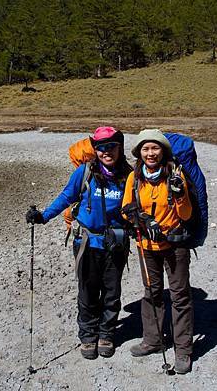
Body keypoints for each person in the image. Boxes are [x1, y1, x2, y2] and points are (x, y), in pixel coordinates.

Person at [26, 126, 132, 360]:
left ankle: (106, 334)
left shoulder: (128, 174)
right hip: (87, 242)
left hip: (116, 244)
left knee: (112, 293)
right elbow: (67, 196)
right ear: (95, 149)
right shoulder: (84, 172)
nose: (106, 152)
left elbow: (139, 205)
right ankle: (88, 335)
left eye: (111, 147)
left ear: (119, 147)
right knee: (87, 292)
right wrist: (43, 216)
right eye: (101, 148)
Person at [122, 129, 193, 375]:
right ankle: (153, 340)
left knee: (179, 296)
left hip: (175, 246)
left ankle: (183, 350)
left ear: (163, 151)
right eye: (146, 149)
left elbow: (185, 215)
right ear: (139, 153)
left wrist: (180, 194)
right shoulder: (134, 177)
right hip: (146, 247)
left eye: (155, 148)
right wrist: (139, 219)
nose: (151, 153)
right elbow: (125, 208)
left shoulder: (175, 175)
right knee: (151, 293)